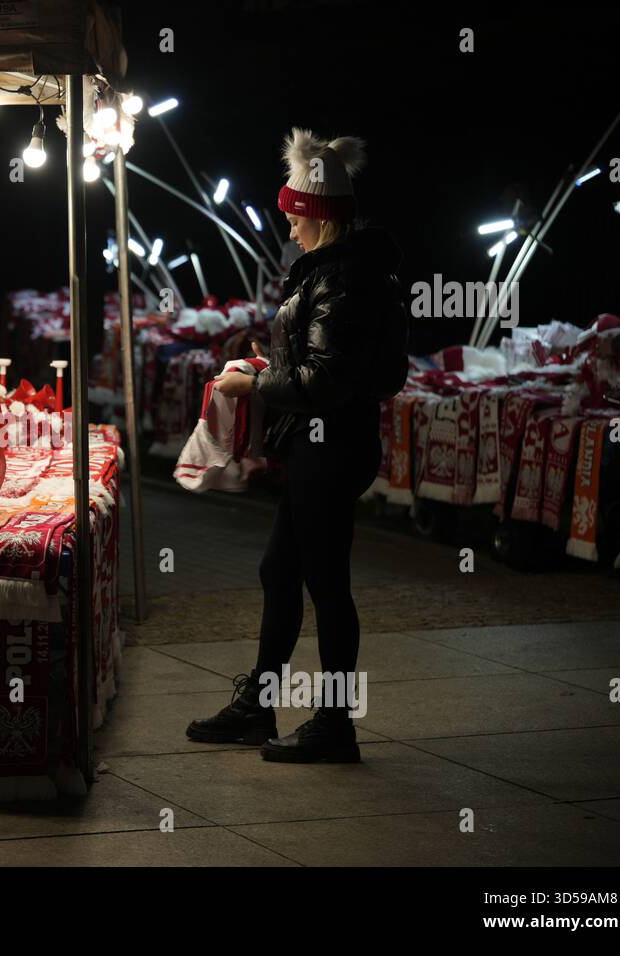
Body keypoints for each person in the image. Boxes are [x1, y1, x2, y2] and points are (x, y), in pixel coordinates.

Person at [186, 128, 402, 763]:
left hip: (331, 447)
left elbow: (323, 380)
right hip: (320, 445)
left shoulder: (345, 278)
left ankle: (335, 724)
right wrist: (267, 367)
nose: (289, 230)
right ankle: (259, 705)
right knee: (280, 570)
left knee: (326, 584)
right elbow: (320, 364)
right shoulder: (342, 271)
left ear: (315, 216)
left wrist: (253, 384)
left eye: (294, 218)